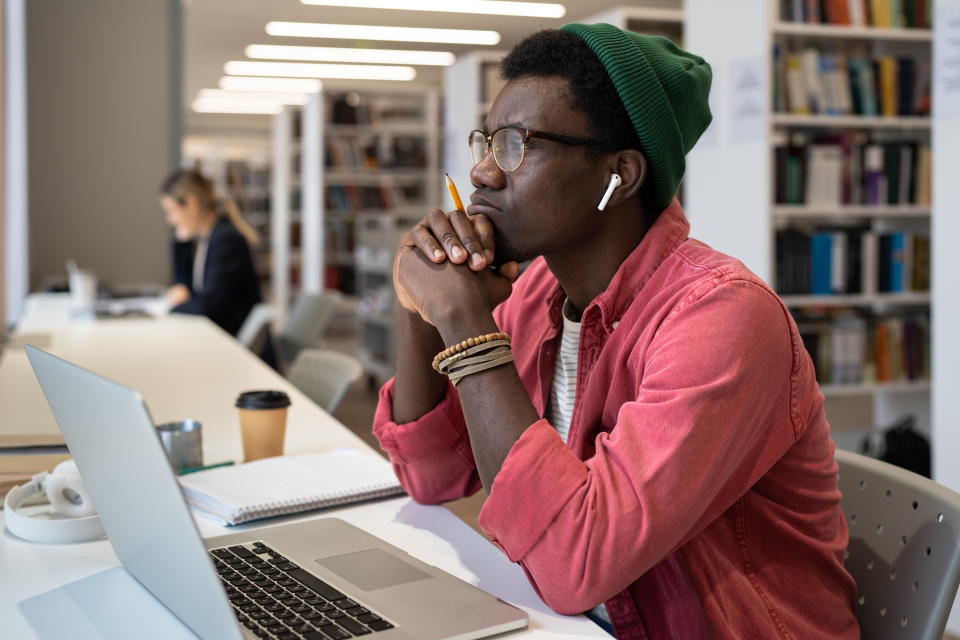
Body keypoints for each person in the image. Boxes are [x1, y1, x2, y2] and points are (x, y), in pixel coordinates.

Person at [372, 23, 859, 639]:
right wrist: (422, 305)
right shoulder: (536, 296)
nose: (484, 174)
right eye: (487, 143)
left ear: (619, 176)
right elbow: (431, 478)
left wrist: (467, 325)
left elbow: (577, 564)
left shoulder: (722, 318)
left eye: (519, 145)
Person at [158, 169, 261, 337]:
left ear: (191, 204)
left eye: (171, 211)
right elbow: (184, 289)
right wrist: (181, 244)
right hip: (218, 336)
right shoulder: (206, 240)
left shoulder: (226, 240)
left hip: (233, 343)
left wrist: (171, 306)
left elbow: (208, 307)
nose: (169, 220)